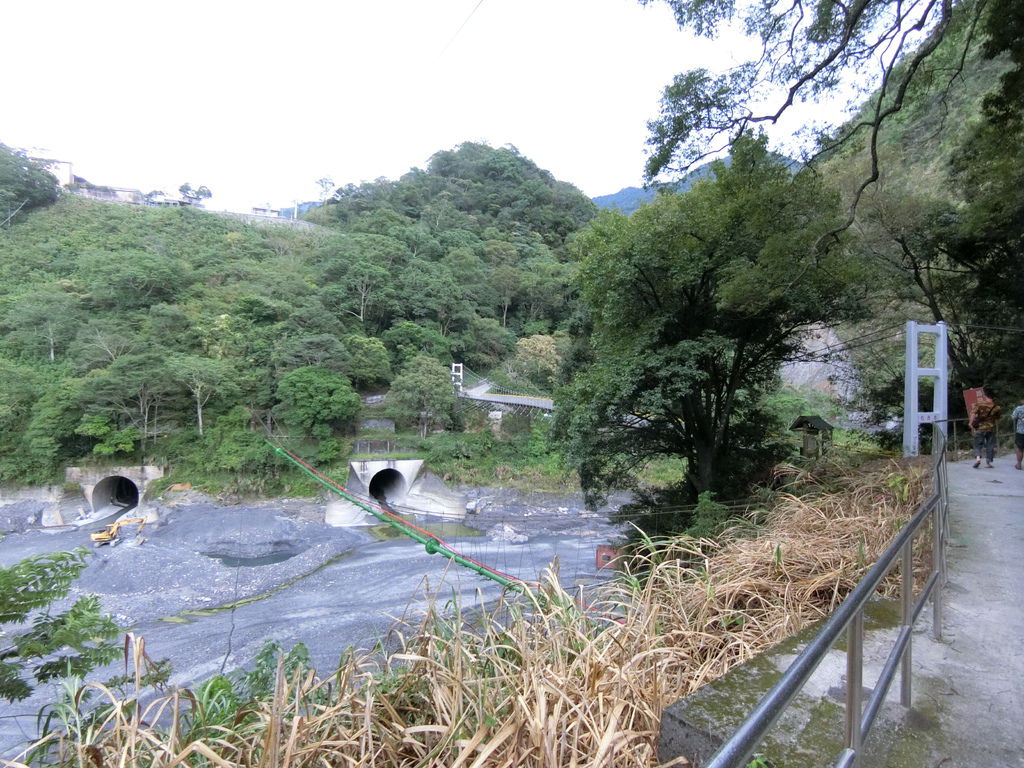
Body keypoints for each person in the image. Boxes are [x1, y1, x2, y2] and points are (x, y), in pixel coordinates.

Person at [968, 389, 1002, 468]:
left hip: (980, 428)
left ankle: (978, 459)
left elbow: (973, 413)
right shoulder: (997, 407)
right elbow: (998, 417)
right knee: (990, 445)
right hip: (991, 429)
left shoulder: (979, 404)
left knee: (978, 444)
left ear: (985, 396)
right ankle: (989, 462)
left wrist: (970, 423)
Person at [1012, 398, 1024, 471]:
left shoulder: (1019, 408)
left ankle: (1019, 464)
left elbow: (1013, 417)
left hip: (1020, 432)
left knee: (1020, 449)